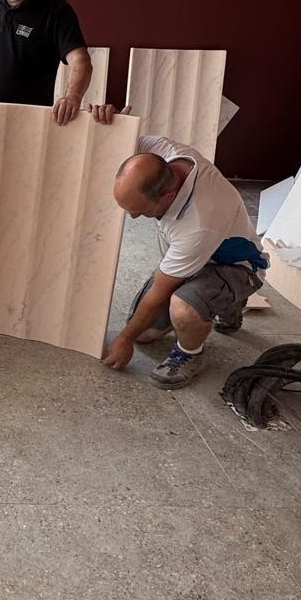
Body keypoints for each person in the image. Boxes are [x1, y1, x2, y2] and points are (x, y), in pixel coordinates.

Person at [93, 105, 267, 388]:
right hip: (192, 257)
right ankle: (219, 301)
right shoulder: (161, 152)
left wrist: (124, 339)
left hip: (235, 265)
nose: (133, 217)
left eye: (139, 210)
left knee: (183, 308)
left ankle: (190, 353)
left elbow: (160, 292)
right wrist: (105, 121)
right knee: (144, 333)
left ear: (167, 196)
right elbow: (119, 137)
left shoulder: (198, 223)